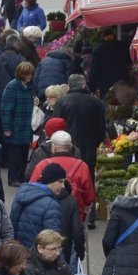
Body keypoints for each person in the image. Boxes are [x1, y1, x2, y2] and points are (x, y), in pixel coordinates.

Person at [54, 74, 105, 222]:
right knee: (88, 180)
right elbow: (101, 128)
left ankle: (68, 213)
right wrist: (96, 142)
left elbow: (56, 124)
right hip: (88, 147)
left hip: (66, 147)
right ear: (84, 85)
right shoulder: (95, 102)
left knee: (66, 178)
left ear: (69, 86)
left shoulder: (63, 101)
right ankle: (89, 217)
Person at [28, 131, 95, 220]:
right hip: (75, 217)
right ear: (71, 147)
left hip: (47, 216)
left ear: (54, 147)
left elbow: (31, 191)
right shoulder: (82, 166)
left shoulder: (42, 165)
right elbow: (89, 198)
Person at [1, 61, 37, 186]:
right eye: (28, 74)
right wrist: (7, 128)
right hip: (16, 126)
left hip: (26, 126)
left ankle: (21, 177)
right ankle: (13, 178)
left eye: (31, 74)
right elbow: (6, 109)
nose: (30, 76)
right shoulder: (12, 86)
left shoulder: (30, 87)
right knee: (15, 156)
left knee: (23, 155)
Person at [11, 163, 65, 248]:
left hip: (19, 253)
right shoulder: (51, 205)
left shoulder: (22, 193)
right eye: (60, 182)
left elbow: (12, 224)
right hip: (37, 256)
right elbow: (53, 240)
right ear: (50, 180)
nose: (63, 186)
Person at [87, 28, 131, 98]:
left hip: (106, 86)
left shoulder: (98, 50)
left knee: (108, 105)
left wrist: (92, 89)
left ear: (102, 37)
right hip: (123, 83)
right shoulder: (123, 46)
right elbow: (130, 61)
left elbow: (93, 71)